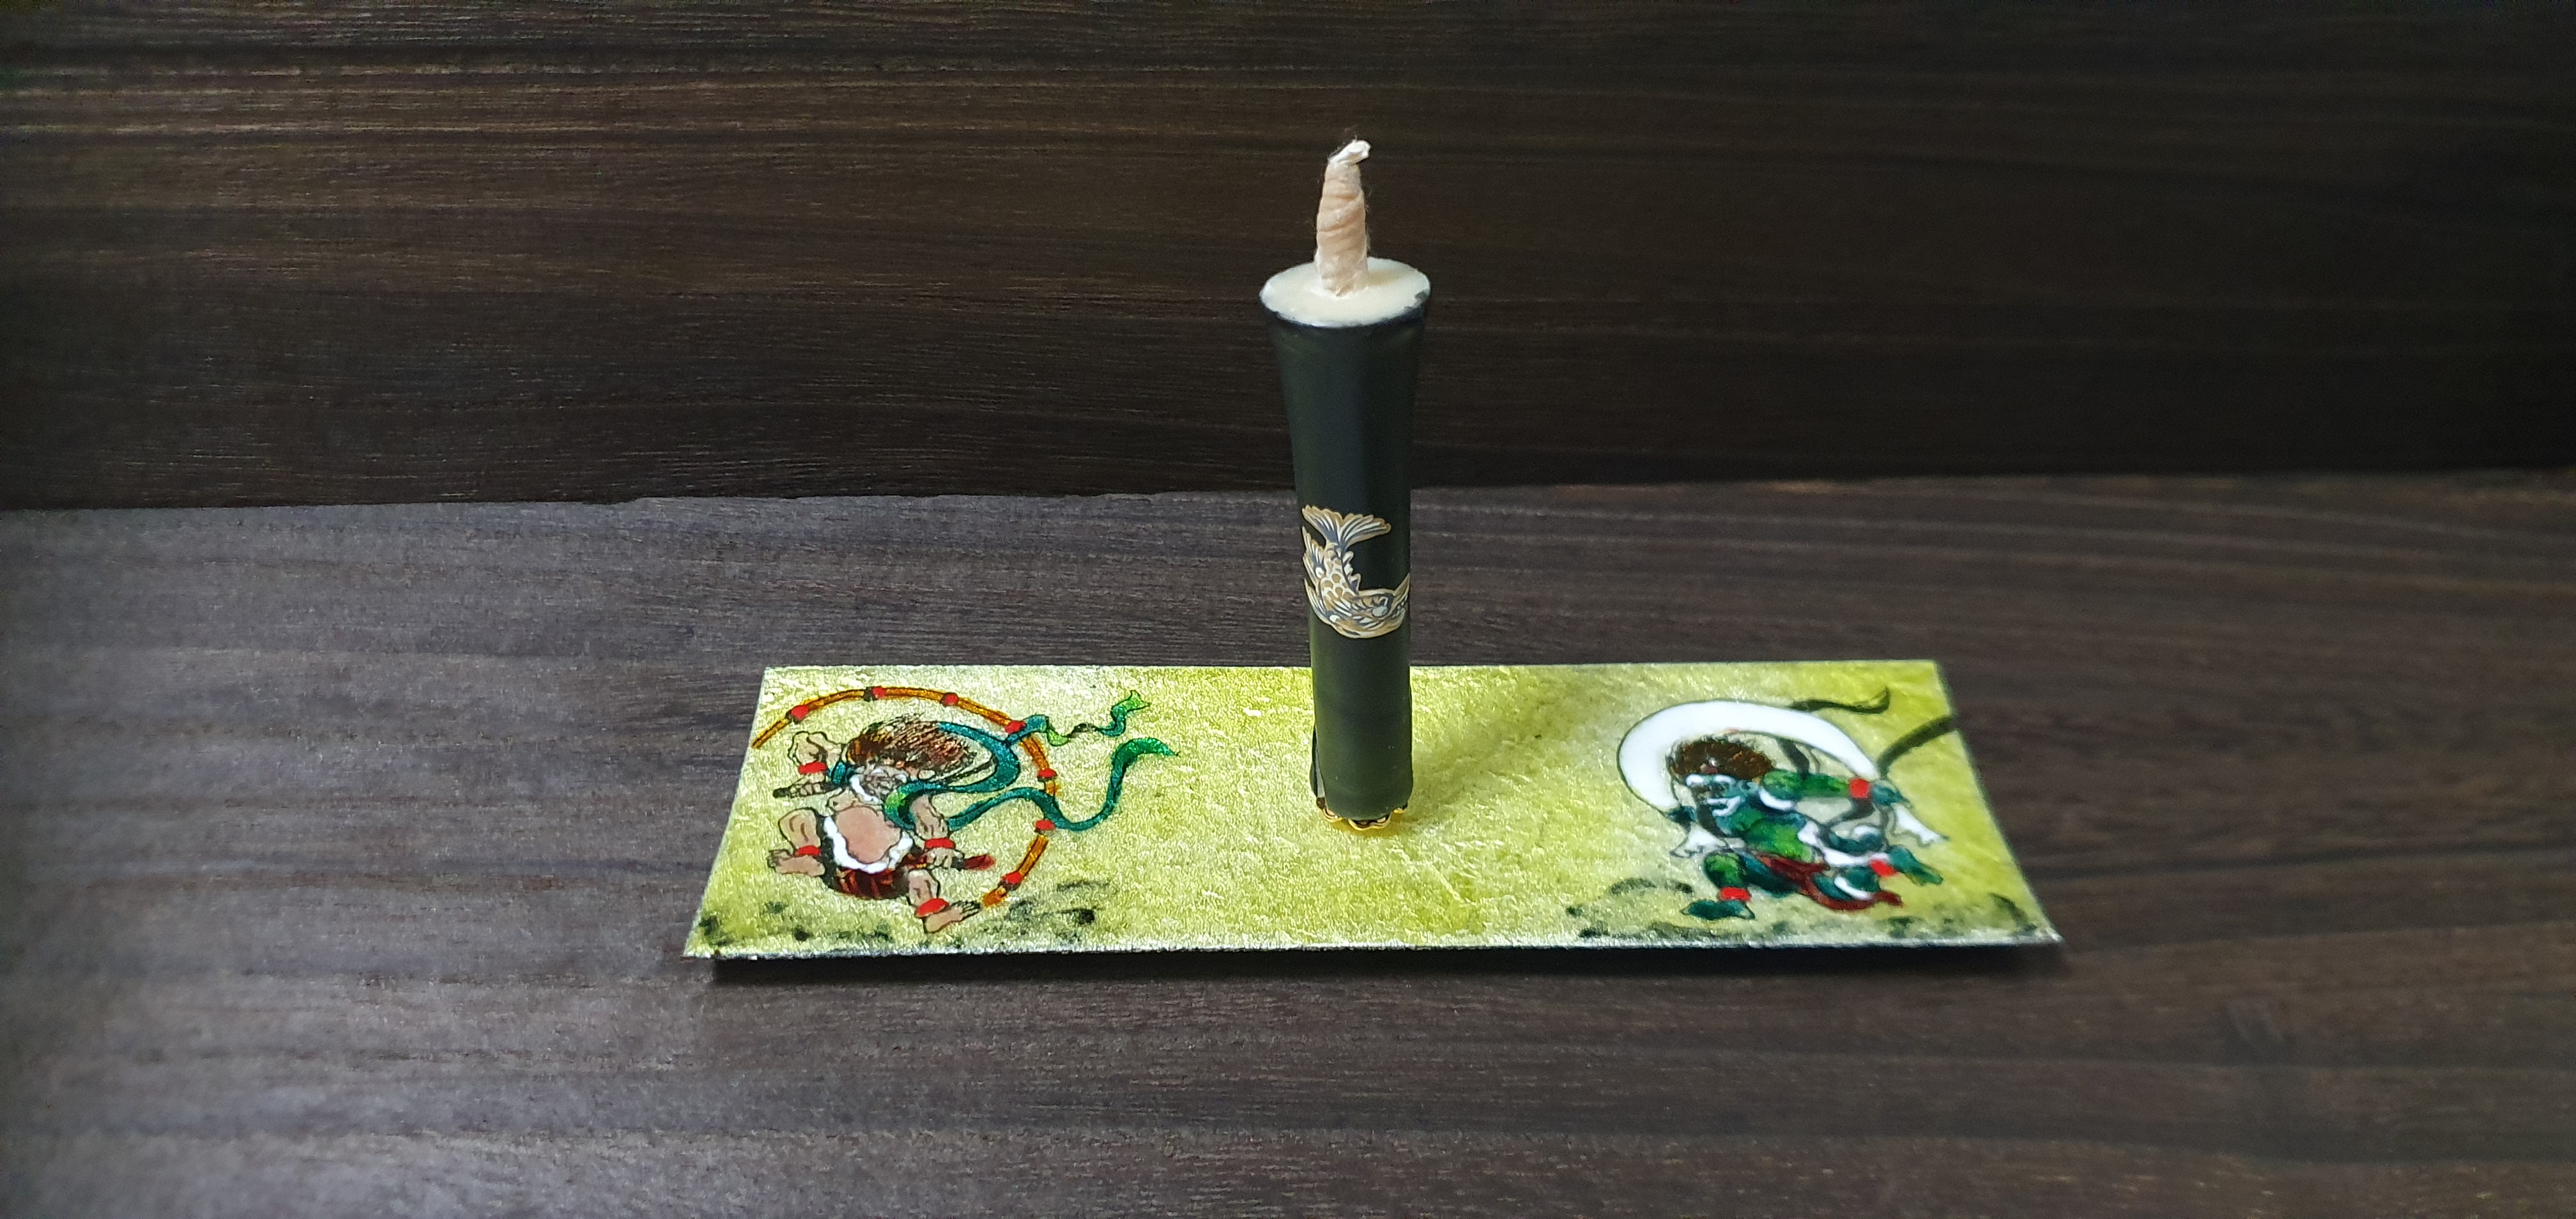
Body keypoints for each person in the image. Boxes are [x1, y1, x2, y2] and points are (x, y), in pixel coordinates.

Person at [767, 716, 995, 933]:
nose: (891, 771)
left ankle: (933, 915)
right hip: (831, 857)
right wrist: (814, 771)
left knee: (919, 878)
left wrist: (940, 847)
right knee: (798, 819)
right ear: (870, 756)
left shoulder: (913, 800)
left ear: (923, 774)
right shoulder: (851, 774)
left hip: (886, 874)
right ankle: (809, 857)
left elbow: (929, 823)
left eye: (905, 768)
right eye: (885, 760)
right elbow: (807, 742)